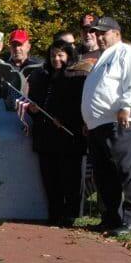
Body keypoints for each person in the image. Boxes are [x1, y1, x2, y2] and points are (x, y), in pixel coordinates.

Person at [80, 17, 131, 235]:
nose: (99, 37)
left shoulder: (128, 53)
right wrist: (89, 119)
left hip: (122, 121)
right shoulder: (102, 58)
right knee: (105, 174)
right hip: (99, 125)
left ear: (116, 33)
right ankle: (110, 217)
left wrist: (127, 106)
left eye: (104, 33)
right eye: (97, 33)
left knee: (128, 171)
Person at [27, 40, 86, 226]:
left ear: (68, 55)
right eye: (53, 55)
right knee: (50, 179)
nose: (56, 59)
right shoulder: (41, 76)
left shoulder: (78, 76)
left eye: (60, 55)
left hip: (68, 137)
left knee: (69, 178)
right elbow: (34, 101)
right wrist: (33, 109)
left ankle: (70, 215)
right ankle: (55, 213)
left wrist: (66, 120)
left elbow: (80, 106)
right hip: (46, 136)